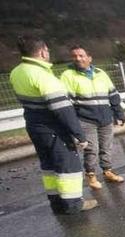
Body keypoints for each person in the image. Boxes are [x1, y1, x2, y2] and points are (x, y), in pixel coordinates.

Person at [9, 36, 96, 214]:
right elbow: (62, 109)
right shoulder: (43, 76)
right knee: (67, 165)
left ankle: (56, 202)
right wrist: (79, 134)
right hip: (53, 128)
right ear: (42, 52)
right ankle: (73, 204)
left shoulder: (16, 72)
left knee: (48, 165)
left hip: (34, 125)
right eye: (47, 50)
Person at [60, 45, 125, 190]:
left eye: (81, 55)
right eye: (74, 56)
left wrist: (118, 113)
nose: (78, 58)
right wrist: (73, 123)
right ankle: (91, 176)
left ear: (89, 58)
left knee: (106, 147)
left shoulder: (100, 73)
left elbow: (113, 94)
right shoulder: (68, 75)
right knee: (92, 149)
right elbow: (66, 102)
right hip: (85, 119)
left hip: (105, 117)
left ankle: (108, 172)